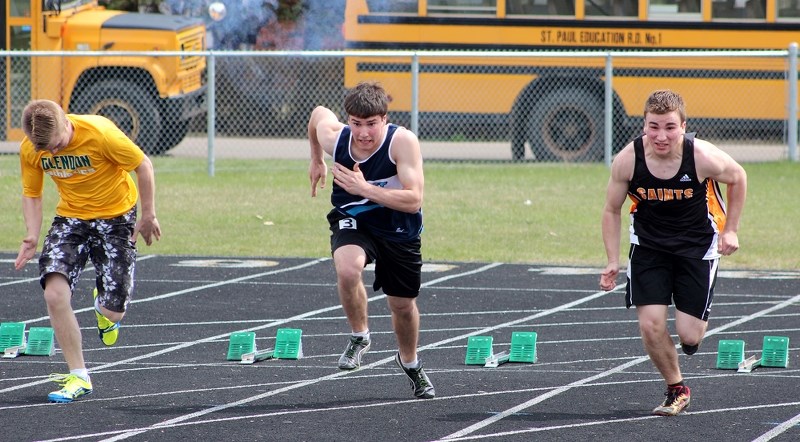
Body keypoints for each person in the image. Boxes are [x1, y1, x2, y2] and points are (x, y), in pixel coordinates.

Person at [600, 89, 747, 416]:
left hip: (698, 247)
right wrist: (611, 260)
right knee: (651, 324)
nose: (661, 136)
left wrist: (732, 229)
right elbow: (611, 209)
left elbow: (739, 177)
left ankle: (691, 334)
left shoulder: (701, 156)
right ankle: (676, 388)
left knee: (689, 335)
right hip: (649, 246)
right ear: (643, 126)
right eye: (653, 127)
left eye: (669, 127)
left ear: (683, 126)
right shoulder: (628, 159)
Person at [14, 99, 161, 403]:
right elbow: (32, 193)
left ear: (66, 123)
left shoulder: (101, 134)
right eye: (47, 151)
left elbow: (143, 165)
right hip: (71, 218)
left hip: (117, 217)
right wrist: (31, 233)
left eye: (57, 145)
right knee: (54, 294)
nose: (53, 153)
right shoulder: (33, 148)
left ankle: (104, 310)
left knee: (113, 308)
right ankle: (79, 376)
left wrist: (148, 214)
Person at [307, 81, 435, 399]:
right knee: (348, 269)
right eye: (357, 124)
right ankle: (360, 336)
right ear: (348, 120)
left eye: (372, 124)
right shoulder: (336, 139)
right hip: (354, 220)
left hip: (397, 226)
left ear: (385, 120)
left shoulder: (401, 143)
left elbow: (414, 200)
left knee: (402, 306)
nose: (363, 133)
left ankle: (410, 362)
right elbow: (317, 115)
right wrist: (316, 160)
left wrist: (366, 189)